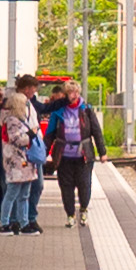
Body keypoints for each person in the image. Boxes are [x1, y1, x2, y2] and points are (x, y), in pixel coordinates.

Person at [45, 79, 100, 226]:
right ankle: (70, 214)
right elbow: (50, 134)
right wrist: (43, 153)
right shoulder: (58, 112)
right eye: (69, 92)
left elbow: (96, 131)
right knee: (66, 185)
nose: (73, 95)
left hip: (83, 155)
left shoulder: (86, 109)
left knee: (84, 184)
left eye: (75, 92)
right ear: (65, 94)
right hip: (64, 155)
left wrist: (103, 152)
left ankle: (83, 209)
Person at [0, 83, 49, 233]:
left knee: (24, 194)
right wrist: (31, 135)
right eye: (24, 104)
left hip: (24, 163)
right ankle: (5, 223)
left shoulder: (20, 120)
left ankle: (24, 222)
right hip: (16, 163)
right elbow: (16, 139)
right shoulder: (12, 121)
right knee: (12, 193)